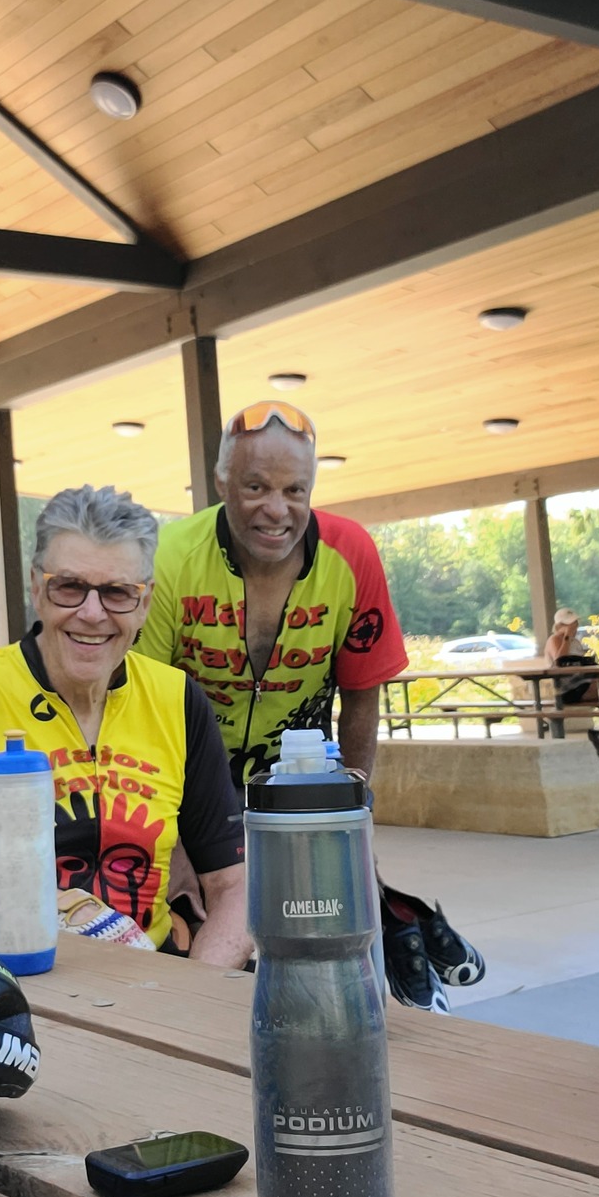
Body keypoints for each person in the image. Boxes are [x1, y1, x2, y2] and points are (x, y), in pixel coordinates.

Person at [137, 400, 485, 1009]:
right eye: (255, 486)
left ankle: (396, 928)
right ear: (221, 484)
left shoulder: (351, 552)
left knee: (326, 927)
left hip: (297, 766)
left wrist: (355, 814)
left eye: (295, 489)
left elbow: (361, 692)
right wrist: (174, 845)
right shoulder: (170, 557)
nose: (277, 509)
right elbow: (147, 708)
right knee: (208, 927)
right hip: (196, 776)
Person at [0, 485, 251, 967]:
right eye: (70, 586)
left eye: (118, 592)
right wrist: (51, 902)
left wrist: (197, 991)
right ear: (37, 588)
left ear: (144, 604)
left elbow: (234, 883)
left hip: (150, 977)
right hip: (9, 982)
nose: (93, 613)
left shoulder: (179, 699)